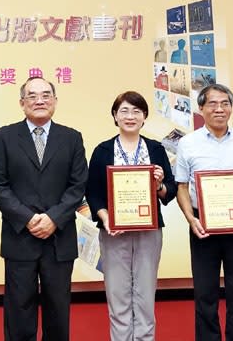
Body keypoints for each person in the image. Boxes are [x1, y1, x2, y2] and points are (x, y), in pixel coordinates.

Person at [0, 76, 88, 341]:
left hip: (59, 238)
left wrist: (53, 218)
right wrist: (29, 218)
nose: (39, 100)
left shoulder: (72, 138)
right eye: (32, 96)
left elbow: (78, 186)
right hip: (20, 235)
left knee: (58, 310)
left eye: (46, 94)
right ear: (22, 103)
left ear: (55, 101)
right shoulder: (4, 136)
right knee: (18, 311)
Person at [175, 84, 233, 341]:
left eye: (225, 103)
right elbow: (182, 186)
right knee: (205, 294)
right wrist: (190, 219)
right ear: (201, 108)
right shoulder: (187, 143)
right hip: (202, 225)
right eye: (212, 104)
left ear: (231, 108)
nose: (219, 109)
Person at [85, 91, 177, 341]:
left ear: (145, 116)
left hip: (149, 231)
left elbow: (170, 189)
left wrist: (159, 184)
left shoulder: (156, 149)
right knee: (118, 295)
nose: (130, 116)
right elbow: (92, 193)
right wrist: (105, 219)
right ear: (115, 116)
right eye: (124, 110)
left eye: (136, 111)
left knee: (145, 296)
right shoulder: (102, 150)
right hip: (113, 232)